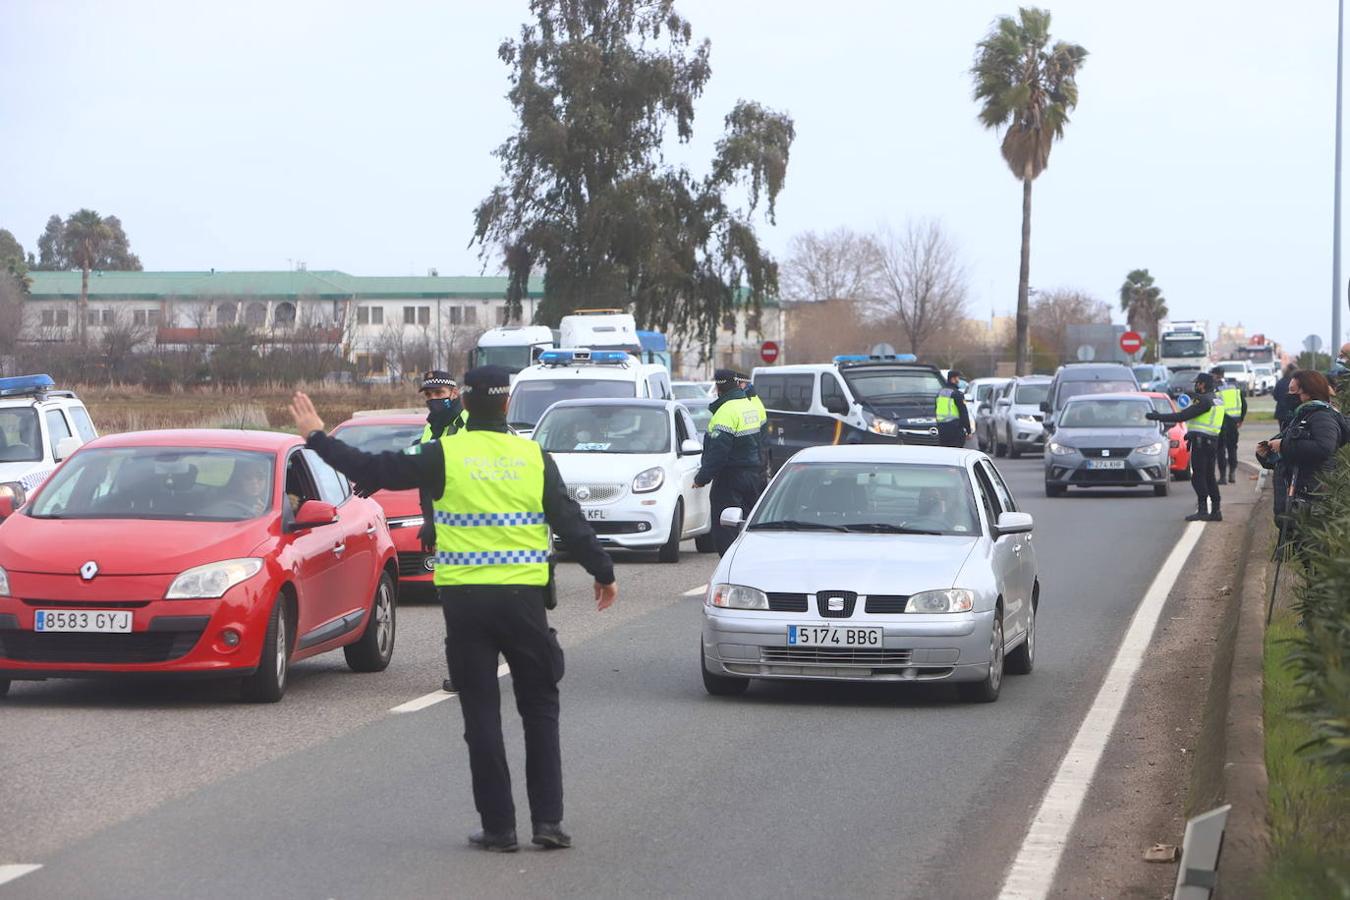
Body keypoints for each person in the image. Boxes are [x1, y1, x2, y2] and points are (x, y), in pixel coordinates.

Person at [288, 366, 618, 853]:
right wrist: (603, 571)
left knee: (481, 715)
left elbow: (371, 468)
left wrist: (316, 435)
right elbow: (568, 520)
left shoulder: (443, 453)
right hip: (523, 601)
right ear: (507, 405)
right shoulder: (532, 456)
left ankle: (500, 829)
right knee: (540, 710)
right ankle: (548, 822)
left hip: (466, 604)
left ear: (466, 403)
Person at [414, 370, 470, 694]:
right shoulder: (430, 429)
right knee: (452, 602)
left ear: (454, 392)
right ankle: (462, 671)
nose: (434, 401)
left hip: (475, 529)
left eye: (439, 395)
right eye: (429, 397)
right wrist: (428, 521)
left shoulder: (468, 425)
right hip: (447, 531)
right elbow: (423, 471)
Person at [1256, 369, 1349, 535]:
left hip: (1312, 495)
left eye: (1293, 390)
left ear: (1308, 392)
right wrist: (1267, 452)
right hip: (1300, 495)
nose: (1288, 395)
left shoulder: (1322, 416)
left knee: (1310, 542)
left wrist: (1283, 445)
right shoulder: (1302, 414)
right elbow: (1293, 449)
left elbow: (1324, 447)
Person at [695, 369, 766, 555]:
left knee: (725, 526)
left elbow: (718, 452)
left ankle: (729, 565)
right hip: (754, 474)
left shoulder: (725, 411)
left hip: (730, 478)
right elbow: (763, 441)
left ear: (718, 387)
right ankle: (750, 559)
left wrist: (702, 478)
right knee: (750, 523)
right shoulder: (750, 405)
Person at [1146, 371, 1225, 521]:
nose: (1195, 385)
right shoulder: (1217, 399)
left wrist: (1157, 416)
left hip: (1201, 445)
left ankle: (1202, 510)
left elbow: (1181, 416)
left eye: (1197, 383)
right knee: (1210, 478)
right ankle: (1216, 511)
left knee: (1198, 477)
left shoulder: (1203, 401)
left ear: (1202, 384)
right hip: (1212, 442)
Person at [1210, 366, 1247, 484]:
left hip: (1221, 422)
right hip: (1234, 423)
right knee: (1232, 449)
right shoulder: (1234, 386)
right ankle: (1232, 473)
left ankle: (1222, 477)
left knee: (1221, 449)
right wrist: (1241, 419)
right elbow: (1244, 404)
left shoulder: (1214, 388)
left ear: (1216, 375)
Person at [737, 373, 771, 486]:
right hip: (759, 456)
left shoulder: (749, 403)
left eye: (737, 383)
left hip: (755, 457)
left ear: (743, 384)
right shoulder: (753, 400)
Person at [936, 370, 971, 449]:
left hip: (942, 429)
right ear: (953, 379)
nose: (958, 380)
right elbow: (963, 413)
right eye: (957, 378)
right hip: (955, 429)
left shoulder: (940, 393)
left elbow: (936, 409)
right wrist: (968, 431)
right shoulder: (957, 394)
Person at [1273, 363, 1298, 431]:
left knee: (1282, 431)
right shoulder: (1297, 382)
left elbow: (1275, 396)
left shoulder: (1280, 382)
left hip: (1281, 411)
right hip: (1293, 412)